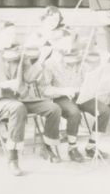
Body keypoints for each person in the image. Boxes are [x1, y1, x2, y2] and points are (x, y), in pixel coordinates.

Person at [0, 21, 64, 175]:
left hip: (22, 98)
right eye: (8, 34)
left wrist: (41, 60)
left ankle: (46, 147)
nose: (12, 38)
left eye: (14, 34)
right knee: (17, 108)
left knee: (53, 108)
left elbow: (29, 78)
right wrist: (5, 86)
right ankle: (12, 158)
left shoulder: (18, 54)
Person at [40, 31, 102, 162]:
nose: (69, 47)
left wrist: (92, 77)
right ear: (56, 44)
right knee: (74, 112)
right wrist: (63, 90)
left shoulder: (76, 58)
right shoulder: (50, 63)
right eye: (65, 43)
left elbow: (86, 76)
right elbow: (45, 89)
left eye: (70, 42)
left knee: (103, 111)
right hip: (60, 97)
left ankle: (91, 146)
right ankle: (72, 148)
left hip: (80, 94)